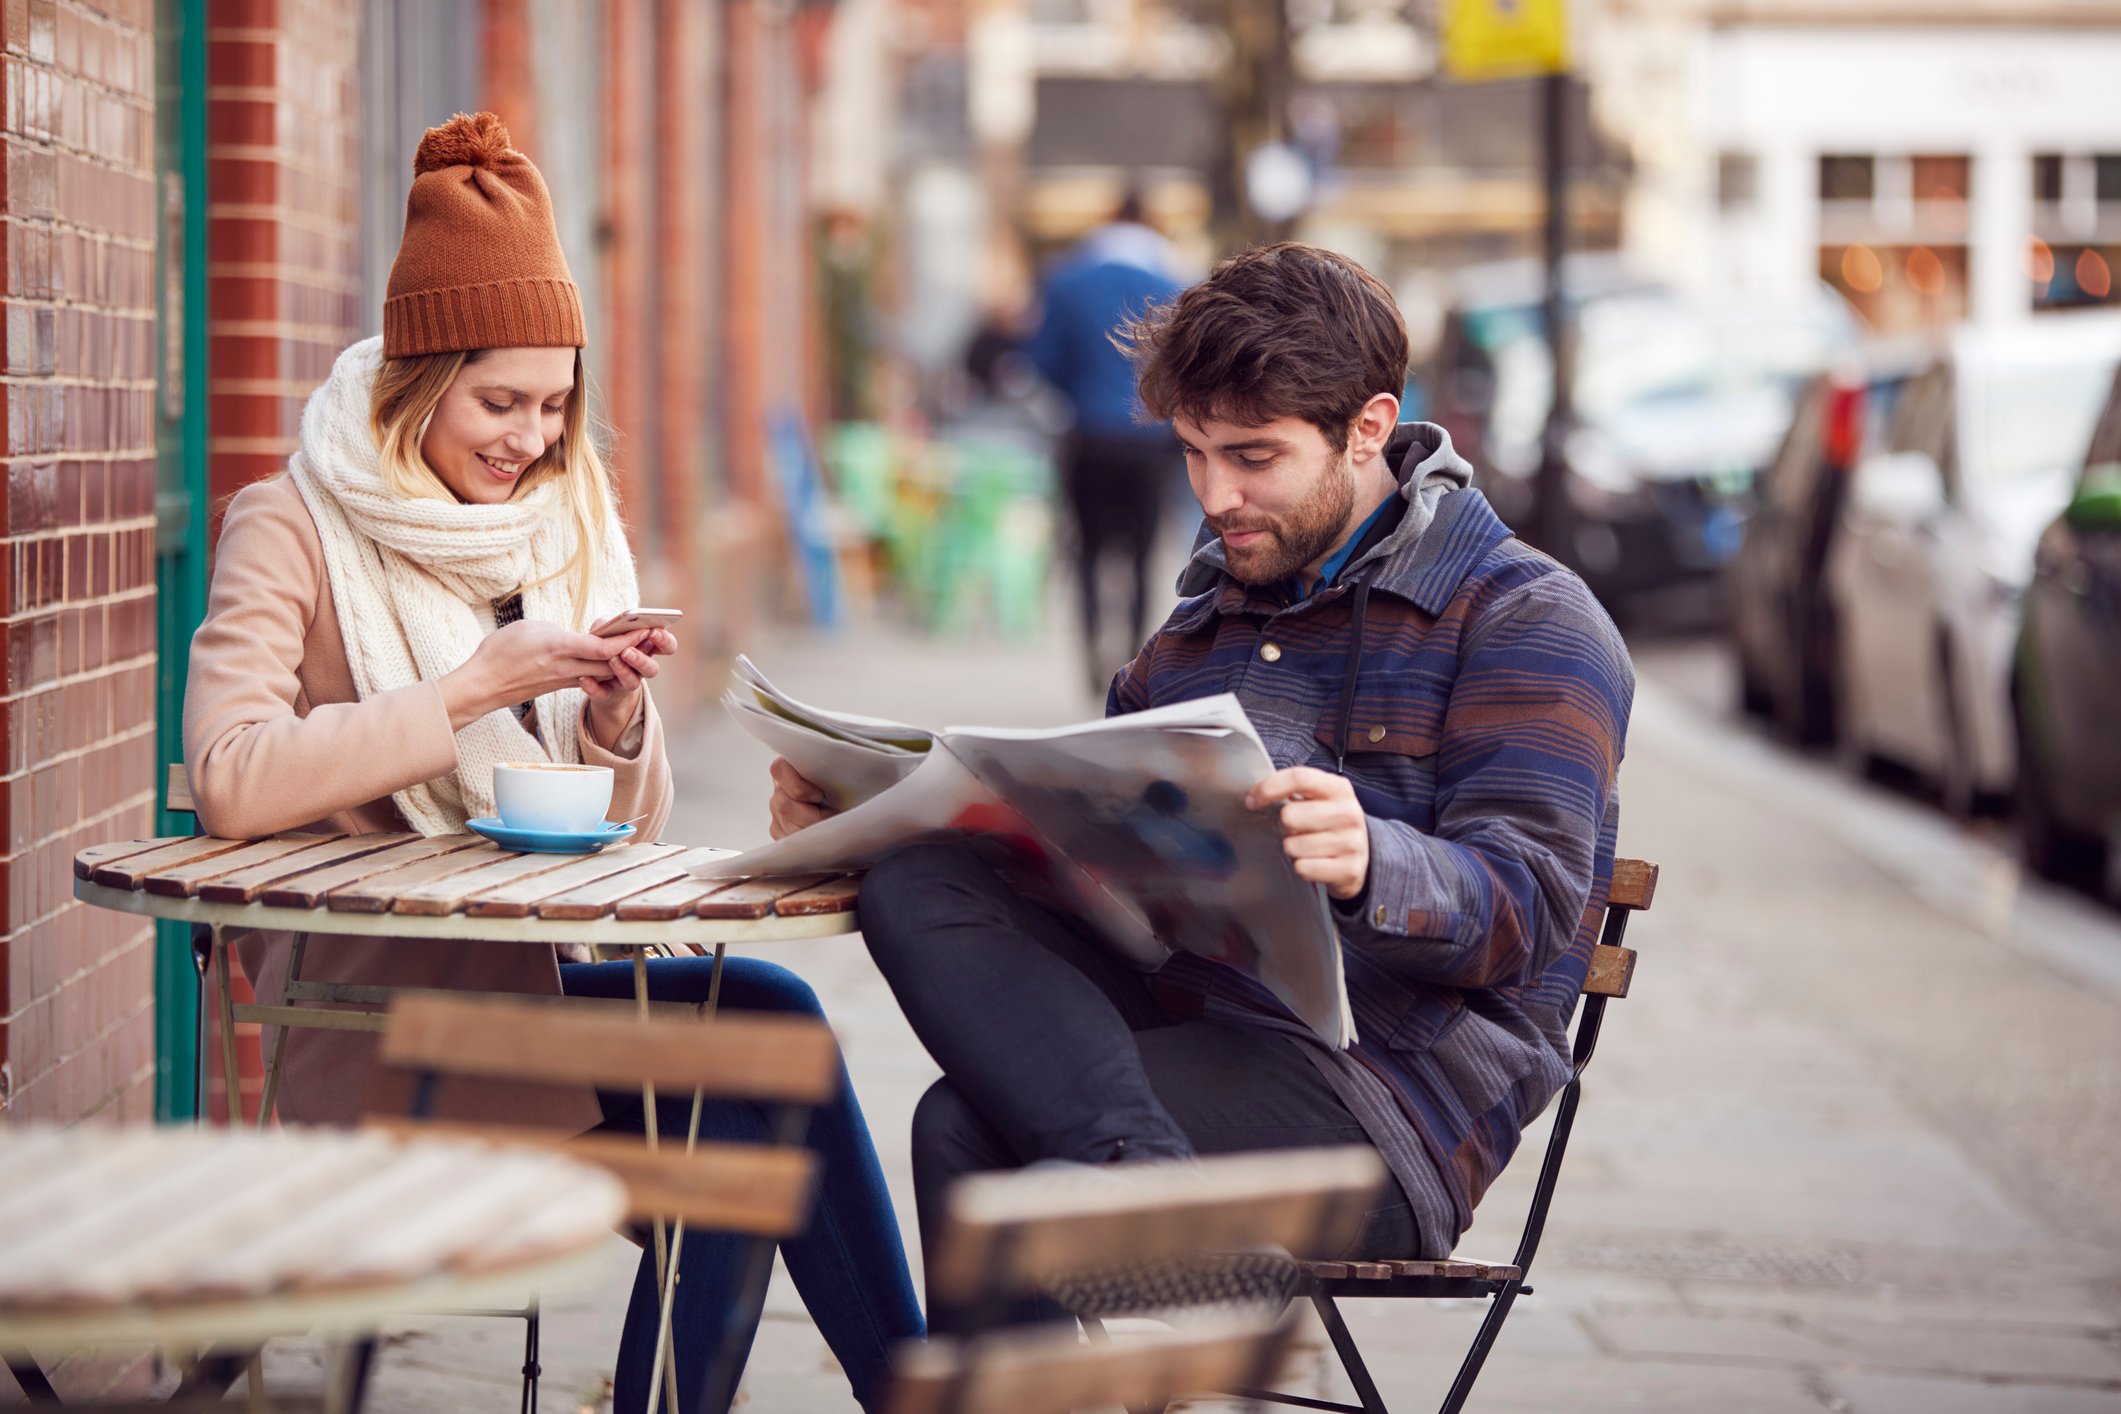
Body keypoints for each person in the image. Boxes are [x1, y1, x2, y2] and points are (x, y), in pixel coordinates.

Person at [182, 113, 921, 1411]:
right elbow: (230, 773)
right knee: (737, 1130)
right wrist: (467, 689)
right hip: (383, 1011)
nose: (532, 437)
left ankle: (918, 1395)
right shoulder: (287, 524)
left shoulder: (551, 528)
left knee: (782, 1030)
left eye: (555, 403)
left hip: (542, 978)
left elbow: (615, 825)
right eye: (499, 401)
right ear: (418, 379)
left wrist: (615, 723)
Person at [768, 243, 1634, 1320]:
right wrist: (876, 813)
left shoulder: (1526, 618)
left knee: (965, 1134)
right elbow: (1096, 846)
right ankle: (1135, 1174)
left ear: (1369, 426)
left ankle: (1117, 1188)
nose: (1216, 494)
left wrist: (1377, 860)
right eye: (1192, 452)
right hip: (1196, 1021)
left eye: (1254, 456)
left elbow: (1540, 912)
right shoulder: (1209, 615)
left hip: (1388, 1097)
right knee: (922, 873)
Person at [1024, 191, 1188, 692]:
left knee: (1089, 549)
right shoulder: (1174, 281)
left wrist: (1078, 393)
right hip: (1149, 441)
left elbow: (1040, 361)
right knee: (1143, 553)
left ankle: (1093, 656)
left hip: (1088, 435)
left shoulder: (1067, 280)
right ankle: (1136, 660)